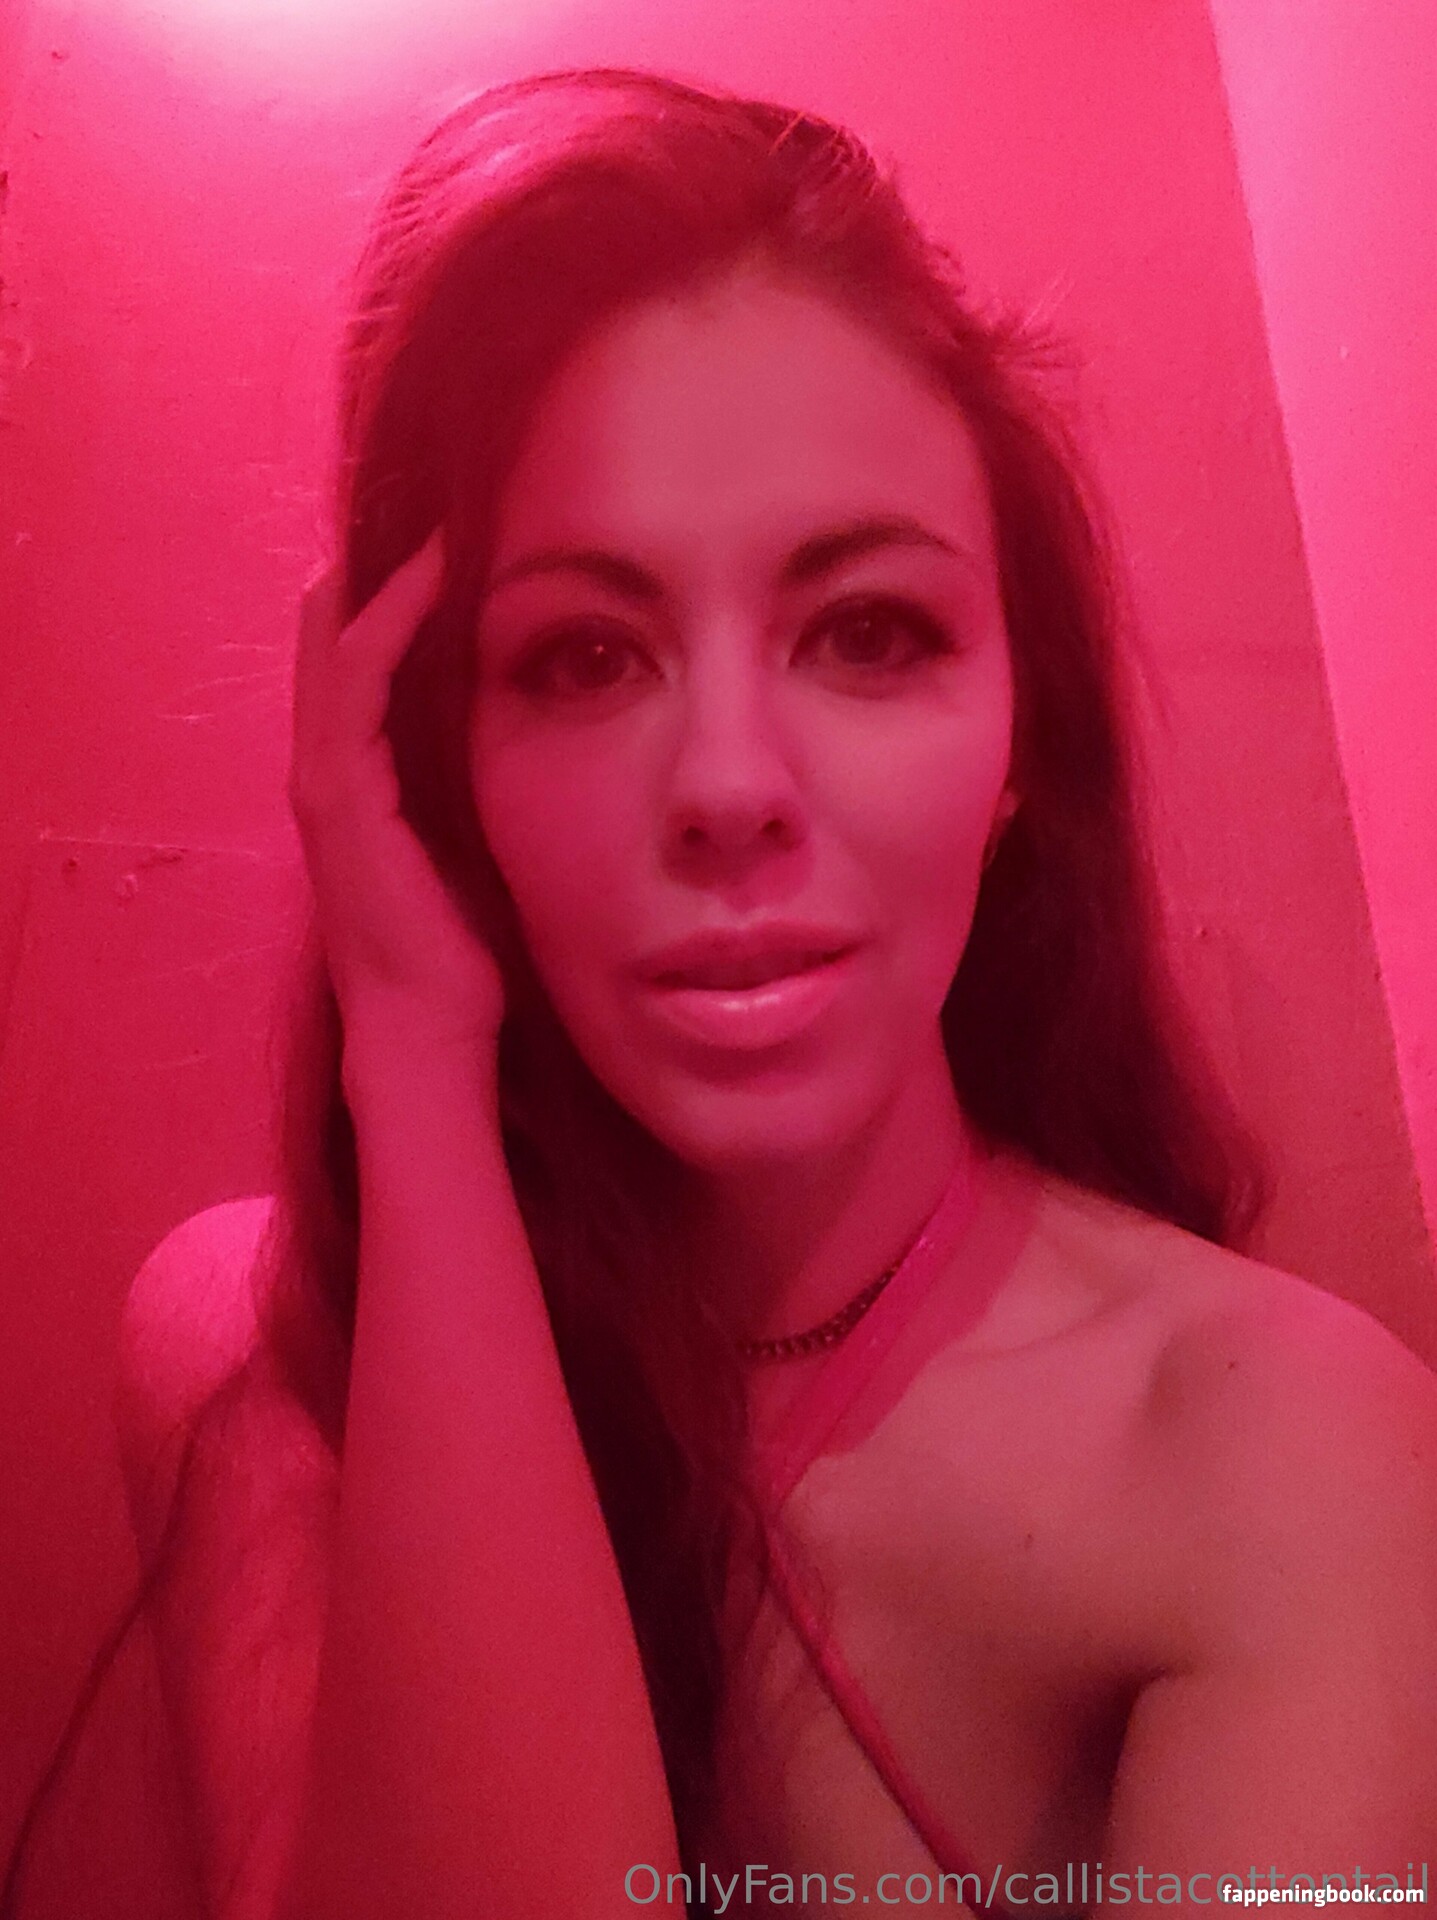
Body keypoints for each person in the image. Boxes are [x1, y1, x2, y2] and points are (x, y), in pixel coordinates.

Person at [7, 63, 1436, 1920]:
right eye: (585, 656)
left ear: (1022, 736)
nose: (730, 787)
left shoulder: (1294, 1457)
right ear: (431, 762)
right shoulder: (256, 1358)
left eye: (867, 632)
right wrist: (411, 1059)